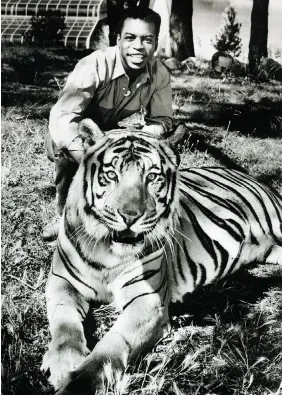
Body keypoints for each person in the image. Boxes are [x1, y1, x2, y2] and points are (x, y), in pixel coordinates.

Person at [43, 6, 173, 241]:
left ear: (156, 42)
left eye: (147, 39)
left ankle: (135, 209)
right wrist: (94, 161)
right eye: (130, 38)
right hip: (76, 131)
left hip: (109, 132)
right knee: (65, 153)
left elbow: (162, 119)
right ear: (118, 39)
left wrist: (145, 140)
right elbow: (63, 119)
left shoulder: (160, 73)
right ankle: (63, 216)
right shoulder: (93, 65)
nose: (138, 47)